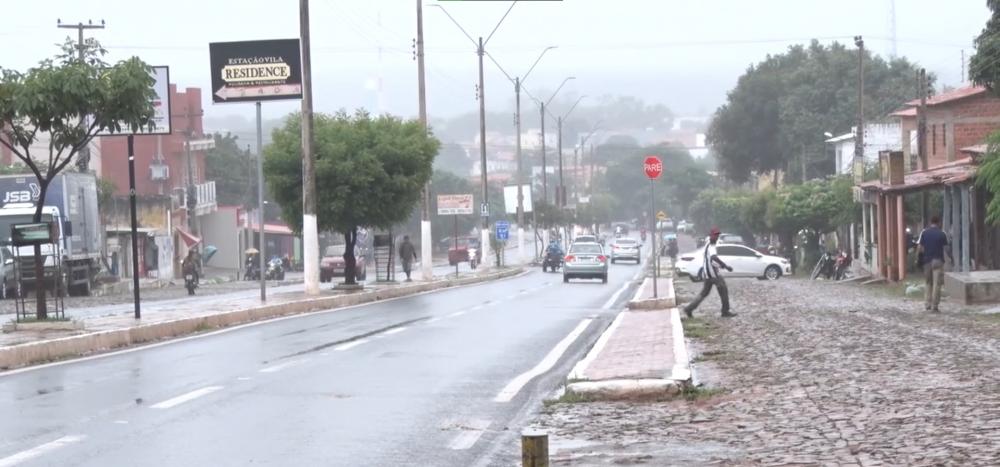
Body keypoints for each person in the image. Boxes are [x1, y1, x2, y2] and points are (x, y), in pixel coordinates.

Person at [683, 227, 735, 319]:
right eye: (715, 235)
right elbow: (713, 258)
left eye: (717, 235)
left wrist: (720, 266)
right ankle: (725, 311)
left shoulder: (708, 243)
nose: (717, 237)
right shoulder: (711, 245)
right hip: (713, 274)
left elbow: (711, 259)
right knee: (723, 290)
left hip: (707, 274)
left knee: (704, 293)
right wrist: (725, 266)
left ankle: (689, 309)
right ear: (711, 235)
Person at [917, 216, 952, 312]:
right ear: (939, 222)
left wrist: (920, 259)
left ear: (930, 222)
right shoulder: (942, 234)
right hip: (938, 260)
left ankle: (927, 303)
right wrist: (950, 258)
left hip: (927, 261)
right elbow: (946, 248)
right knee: (937, 284)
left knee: (928, 282)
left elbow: (920, 248)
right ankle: (934, 305)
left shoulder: (924, 233)